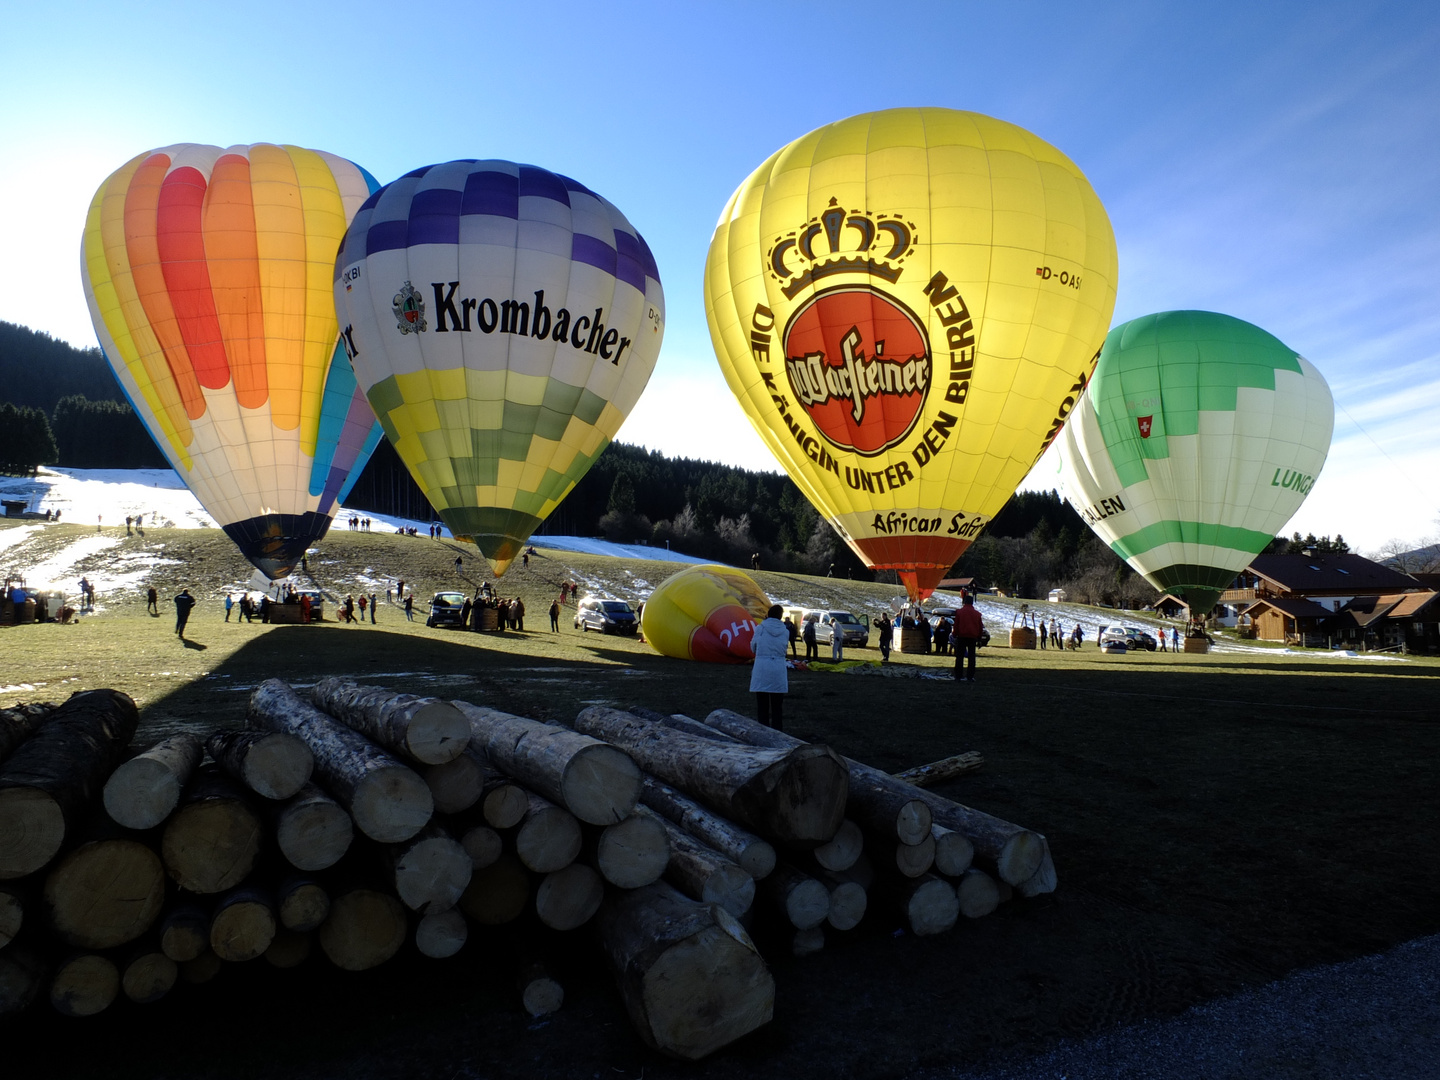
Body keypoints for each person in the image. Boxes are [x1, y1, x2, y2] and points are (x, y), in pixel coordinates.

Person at [749, 604, 790, 731]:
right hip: (778, 668)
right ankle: (778, 732)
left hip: (762, 668)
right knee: (777, 706)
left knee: (762, 706)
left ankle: (763, 731)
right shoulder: (785, 631)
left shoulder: (760, 628)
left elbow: (753, 647)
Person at [952, 593, 983, 682]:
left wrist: (954, 635)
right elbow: (980, 627)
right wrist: (979, 638)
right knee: (971, 657)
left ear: (964, 602)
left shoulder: (959, 612)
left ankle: (958, 675)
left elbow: (956, 625)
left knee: (960, 657)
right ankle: (970, 676)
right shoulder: (977, 614)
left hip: (961, 636)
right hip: (972, 637)